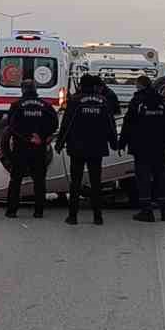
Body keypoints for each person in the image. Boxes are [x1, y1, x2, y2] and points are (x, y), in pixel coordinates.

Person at [56, 74, 117, 226]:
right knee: (96, 183)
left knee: (75, 183)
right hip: (97, 148)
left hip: (77, 148)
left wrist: (59, 143)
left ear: (81, 85)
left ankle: (73, 216)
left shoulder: (75, 101)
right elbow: (110, 124)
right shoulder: (103, 101)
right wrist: (114, 143)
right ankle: (98, 217)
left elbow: (66, 124)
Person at [119, 74, 165, 222]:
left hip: (141, 148)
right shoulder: (163, 102)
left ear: (139, 85)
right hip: (161, 147)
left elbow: (127, 125)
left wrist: (122, 143)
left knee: (143, 179)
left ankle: (146, 211)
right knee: (162, 178)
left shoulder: (137, 102)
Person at [4, 79, 59, 218]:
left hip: (21, 148)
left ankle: (12, 210)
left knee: (16, 179)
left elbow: (11, 126)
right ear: (35, 89)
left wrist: (27, 138)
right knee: (39, 180)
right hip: (39, 148)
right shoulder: (46, 105)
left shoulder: (16, 105)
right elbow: (54, 123)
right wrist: (42, 136)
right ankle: (39, 211)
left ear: (23, 90)